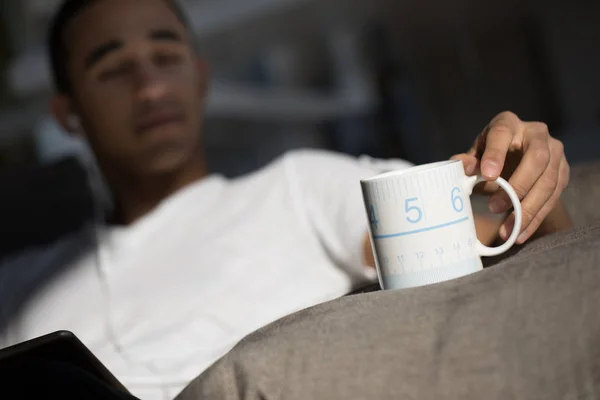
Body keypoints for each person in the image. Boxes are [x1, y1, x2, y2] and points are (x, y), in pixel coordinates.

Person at [0, 0, 572, 399]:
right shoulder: (21, 287)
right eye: (114, 69)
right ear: (67, 113)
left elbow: (479, 233)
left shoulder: (295, 188)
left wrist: (527, 175)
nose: (150, 87)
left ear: (200, 79)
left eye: (166, 56)